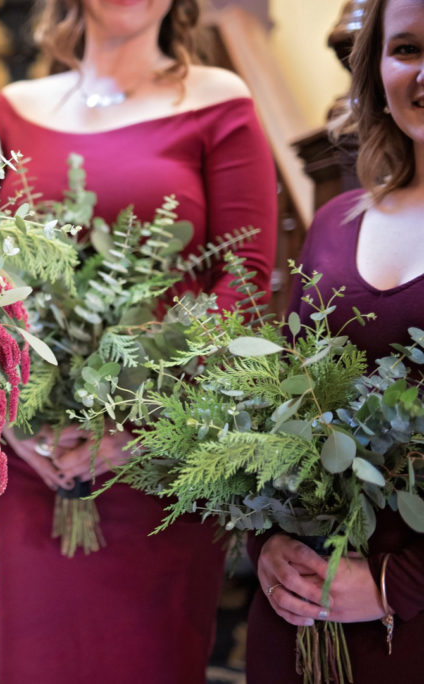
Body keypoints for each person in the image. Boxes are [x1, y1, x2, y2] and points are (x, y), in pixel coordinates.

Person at [0, 0, 277, 680]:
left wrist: (142, 428)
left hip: (163, 462)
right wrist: (18, 424)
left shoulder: (217, 98)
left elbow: (245, 283)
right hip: (36, 467)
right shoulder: (12, 110)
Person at [247, 0, 424, 680]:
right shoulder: (331, 224)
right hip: (294, 617)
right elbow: (275, 413)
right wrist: (268, 545)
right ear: (376, 68)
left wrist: (392, 586)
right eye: (406, 48)